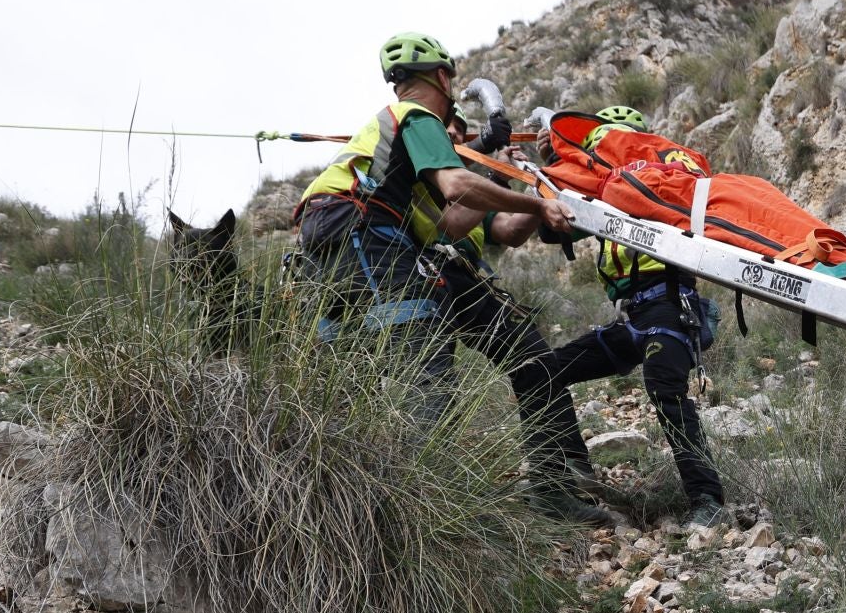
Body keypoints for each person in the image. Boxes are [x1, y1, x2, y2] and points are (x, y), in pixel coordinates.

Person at [293, 33, 608, 525]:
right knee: (425, 372)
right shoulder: (417, 120)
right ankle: (431, 516)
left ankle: (348, 505)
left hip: (342, 249)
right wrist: (537, 201)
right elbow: (458, 183)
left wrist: (519, 184)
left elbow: (454, 220)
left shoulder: (397, 168)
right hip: (368, 246)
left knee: (357, 375)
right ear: (442, 78)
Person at [525, 104, 729, 530]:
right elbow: (552, 228)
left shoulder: (667, 190)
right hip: (631, 316)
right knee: (542, 371)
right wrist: (554, 166)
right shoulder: (603, 194)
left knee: (664, 388)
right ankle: (570, 473)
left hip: (671, 309)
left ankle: (707, 498)